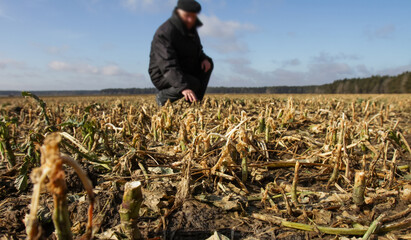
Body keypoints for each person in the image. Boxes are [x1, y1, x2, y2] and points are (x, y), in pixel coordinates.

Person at [148, 0, 213, 106]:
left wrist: (203, 58)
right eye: (187, 15)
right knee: (193, 83)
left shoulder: (190, 29)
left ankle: (194, 102)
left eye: (193, 16)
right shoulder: (164, 33)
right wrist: (184, 87)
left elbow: (197, 50)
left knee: (208, 64)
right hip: (162, 74)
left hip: (182, 68)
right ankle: (164, 96)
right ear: (178, 12)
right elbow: (167, 64)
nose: (190, 19)